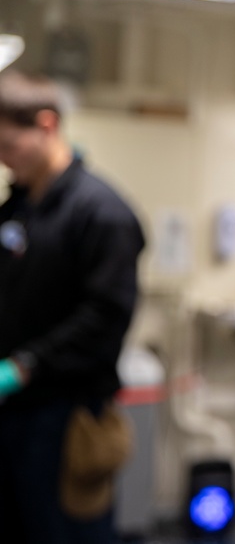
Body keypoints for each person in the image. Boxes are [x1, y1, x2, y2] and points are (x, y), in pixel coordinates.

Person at [0, 70, 145, 543]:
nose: (4, 160)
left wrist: (25, 365)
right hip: (13, 415)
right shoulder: (19, 209)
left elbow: (105, 317)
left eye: (8, 146)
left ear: (45, 125)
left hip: (68, 419)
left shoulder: (101, 214)